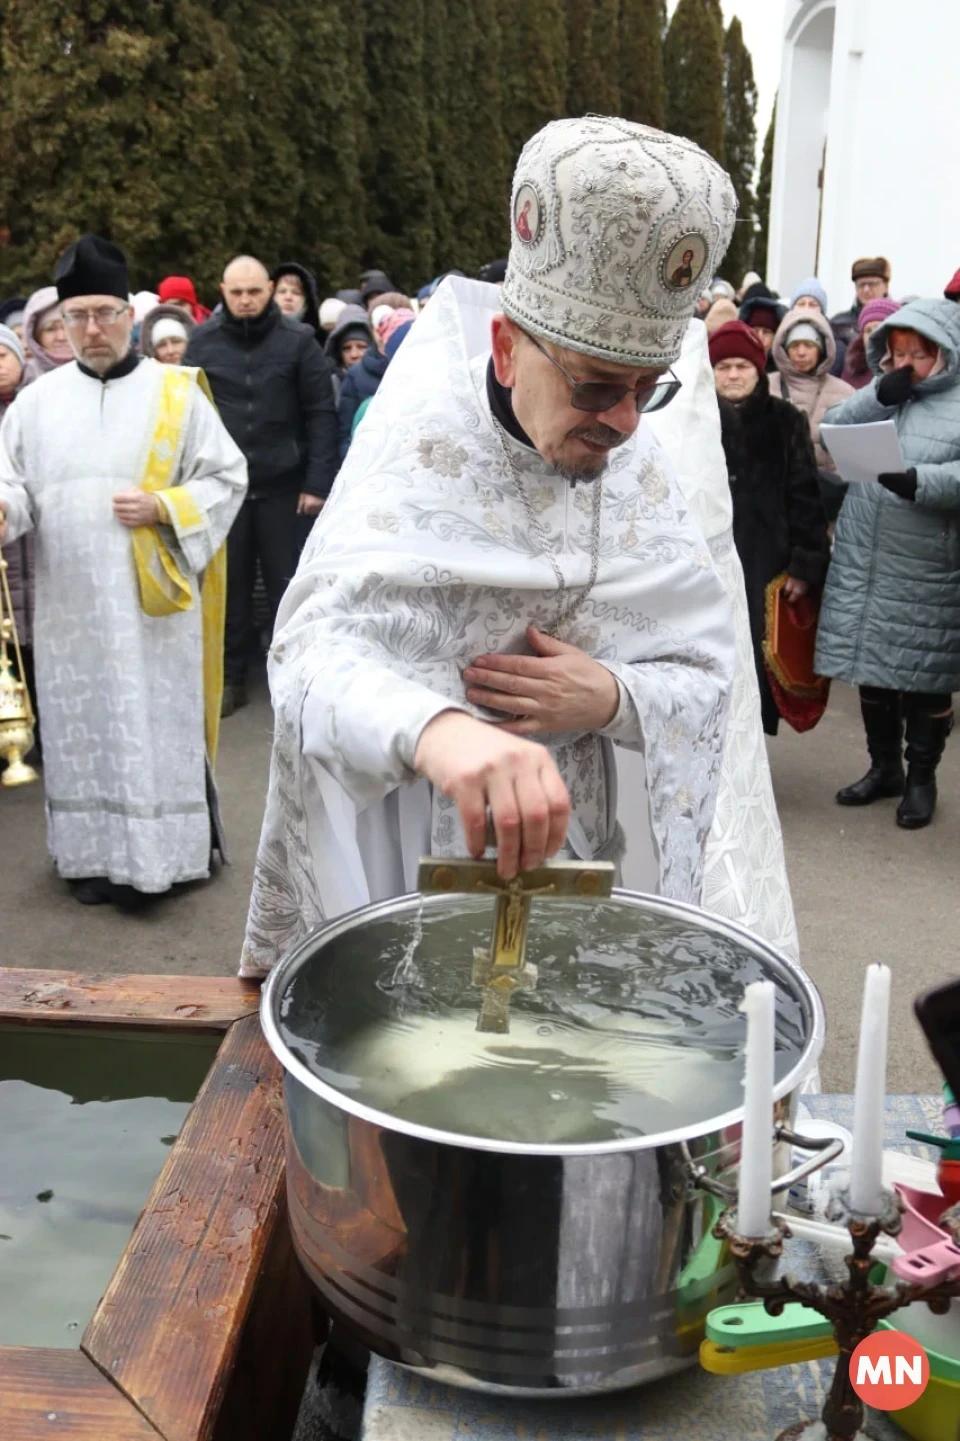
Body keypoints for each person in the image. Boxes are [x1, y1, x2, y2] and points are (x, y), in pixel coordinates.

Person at [240, 114, 739, 978]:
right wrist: (437, 730)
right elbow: (310, 654)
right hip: (409, 853)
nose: (623, 424)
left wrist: (613, 697)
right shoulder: (417, 452)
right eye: (595, 386)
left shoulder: (640, 469)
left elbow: (705, 671)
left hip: (578, 856)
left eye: (646, 391)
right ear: (508, 349)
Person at [0, 235, 247, 908]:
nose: (91, 329)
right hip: (70, 606)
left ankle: (167, 858)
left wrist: (165, 504)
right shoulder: (34, 407)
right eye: (76, 316)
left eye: (105, 313)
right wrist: (4, 511)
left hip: (153, 608)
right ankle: (91, 859)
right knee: (85, 730)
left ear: (129, 315)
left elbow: (227, 476)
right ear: (58, 325)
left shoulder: (177, 394)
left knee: (153, 722)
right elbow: (15, 490)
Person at [816, 299, 960, 829]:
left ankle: (922, 780)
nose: (904, 364)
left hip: (927, 564)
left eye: (916, 355)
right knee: (872, 673)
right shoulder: (884, 393)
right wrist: (879, 393)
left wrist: (922, 482)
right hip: (864, 557)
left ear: (942, 353)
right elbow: (831, 429)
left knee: (924, 677)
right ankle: (884, 769)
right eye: (895, 353)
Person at [184, 255, 339, 716]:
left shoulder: (299, 342)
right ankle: (230, 677)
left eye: (254, 291)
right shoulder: (202, 343)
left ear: (270, 289)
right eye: (236, 293)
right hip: (223, 489)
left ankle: (292, 678)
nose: (246, 301)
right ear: (222, 291)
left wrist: (317, 481)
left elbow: (320, 414)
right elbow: (188, 419)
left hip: (285, 487)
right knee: (227, 593)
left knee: (287, 589)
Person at [710, 320, 828, 736]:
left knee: (758, 663)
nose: (734, 375)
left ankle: (750, 762)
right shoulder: (696, 421)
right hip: (708, 561)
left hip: (767, 563)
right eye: (723, 366)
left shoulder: (785, 421)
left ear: (759, 370)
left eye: (742, 365)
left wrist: (804, 564)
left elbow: (805, 495)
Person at [769, 307, 853, 470]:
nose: (801, 353)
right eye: (794, 345)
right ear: (784, 349)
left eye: (809, 345)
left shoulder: (845, 394)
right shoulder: (764, 387)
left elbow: (851, 456)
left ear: (821, 349)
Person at [841, 296, 901, 391]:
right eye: (868, 331)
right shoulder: (853, 368)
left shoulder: (903, 369)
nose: (872, 336)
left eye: (878, 328)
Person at [830, 257, 891, 345]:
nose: (866, 289)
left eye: (872, 284)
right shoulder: (839, 323)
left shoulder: (898, 321)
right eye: (861, 284)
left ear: (886, 287)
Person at [20, 288, 74, 384]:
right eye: (50, 329)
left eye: (67, 327)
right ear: (35, 336)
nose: (61, 337)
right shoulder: (21, 379)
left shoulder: (101, 370)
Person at [738, 287, 786, 366]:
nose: (760, 337)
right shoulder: (737, 363)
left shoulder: (785, 367)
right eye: (755, 331)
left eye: (766, 332)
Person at [271, 262, 321, 336]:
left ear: (306, 303)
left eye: (296, 293)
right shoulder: (254, 336)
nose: (288, 297)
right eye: (282, 291)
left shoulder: (317, 341)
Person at [324, 304, 373, 379]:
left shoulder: (388, 383)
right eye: (346, 348)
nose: (354, 355)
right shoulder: (331, 385)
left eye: (361, 347)